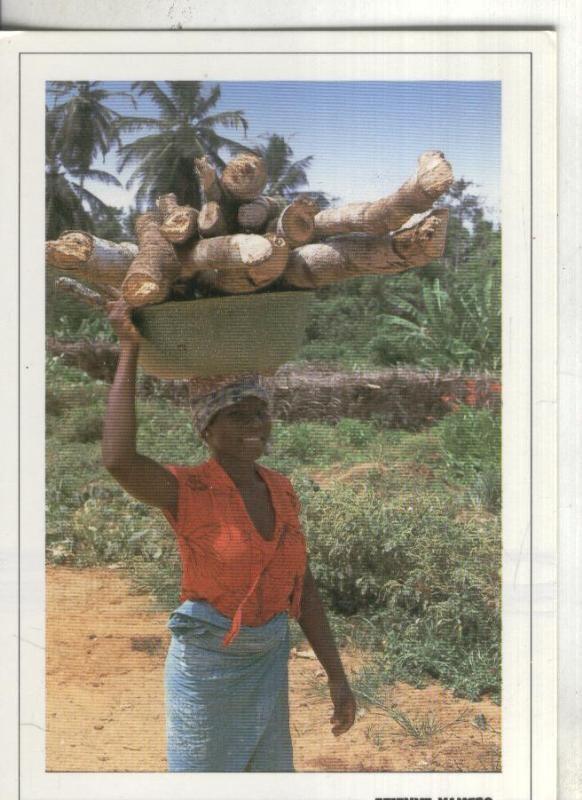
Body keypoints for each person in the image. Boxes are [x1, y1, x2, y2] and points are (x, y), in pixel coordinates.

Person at [101, 298, 356, 772]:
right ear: (207, 427)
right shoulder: (187, 490)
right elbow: (118, 459)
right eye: (238, 414)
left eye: (260, 412)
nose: (255, 425)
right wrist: (128, 347)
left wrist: (336, 676)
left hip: (266, 663)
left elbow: (304, 588)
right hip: (206, 672)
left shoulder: (281, 490)